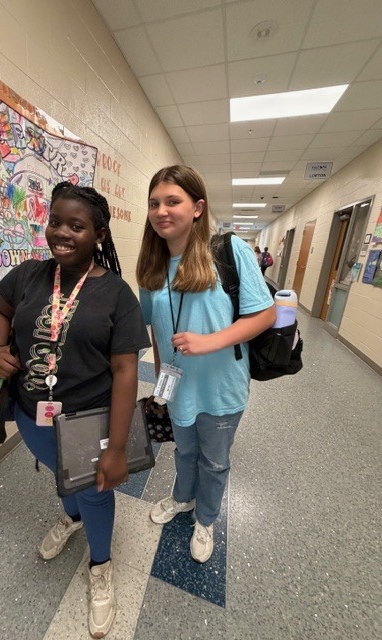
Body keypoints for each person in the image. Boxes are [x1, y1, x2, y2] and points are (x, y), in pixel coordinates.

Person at [0, 181, 150, 638]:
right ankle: (71, 518)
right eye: (55, 221)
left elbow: (125, 372)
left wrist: (116, 448)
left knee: (95, 489)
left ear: (98, 234)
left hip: (87, 424)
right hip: (31, 414)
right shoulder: (29, 274)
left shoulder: (118, 296)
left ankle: (101, 565)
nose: (62, 232)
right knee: (60, 476)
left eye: (76, 226)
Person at [136, 165, 275, 564]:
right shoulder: (151, 267)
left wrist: (208, 342)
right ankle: (182, 497)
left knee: (214, 460)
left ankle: (207, 518)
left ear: (197, 208)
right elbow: (157, 329)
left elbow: (264, 315)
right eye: (154, 203)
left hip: (221, 387)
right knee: (183, 452)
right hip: (178, 386)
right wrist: (163, 378)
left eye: (172, 201)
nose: (161, 210)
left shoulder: (230, 253)